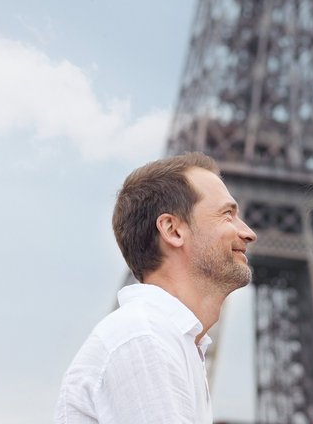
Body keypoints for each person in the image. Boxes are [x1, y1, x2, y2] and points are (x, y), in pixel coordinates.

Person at [56, 152, 257, 424]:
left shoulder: (169, 341)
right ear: (172, 230)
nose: (249, 233)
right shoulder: (144, 339)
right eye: (227, 215)